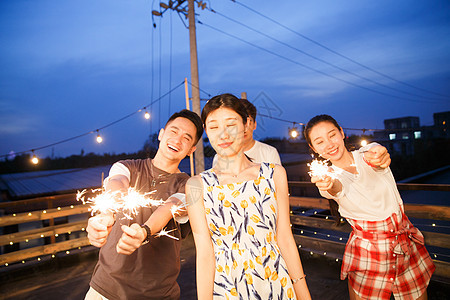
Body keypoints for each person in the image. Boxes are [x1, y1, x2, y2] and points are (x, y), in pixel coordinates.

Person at [186, 93, 311, 299]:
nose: (223, 134)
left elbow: (285, 238)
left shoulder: (274, 174)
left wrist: (303, 293)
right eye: (214, 127)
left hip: (276, 281)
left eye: (231, 124)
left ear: (246, 125)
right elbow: (205, 253)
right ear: (207, 132)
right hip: (228, 287)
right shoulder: (195, 185)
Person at [304, 114, 435, 300]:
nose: (329, 144)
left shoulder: (367, 154)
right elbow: (335, 188)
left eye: (332, 135)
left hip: (403, 243)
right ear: (314, 149)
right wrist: (328, 184)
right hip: (367, 253)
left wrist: (380, 154)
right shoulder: (329, 178)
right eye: (320, 142)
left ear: (342, 133)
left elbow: (376, 150)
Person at [84, 109, 203, 300]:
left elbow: (169, 208)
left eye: (186, 138)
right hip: (104, 290)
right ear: (162, 134)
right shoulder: (127, 167)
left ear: (191, 150)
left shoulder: (190, 185)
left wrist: (144, 231)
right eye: (173, 131)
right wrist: (107, 214)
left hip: (155, 294)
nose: (177, 140)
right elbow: (117, 183)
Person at [213, 98, 281, 167]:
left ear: (255, 125)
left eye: (248, 123)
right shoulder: (220, 157)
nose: (244, 129)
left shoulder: (269, 153)